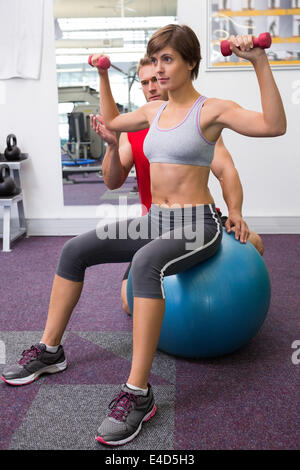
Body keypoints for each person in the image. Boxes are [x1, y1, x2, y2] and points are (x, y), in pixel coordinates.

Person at [2, 25, 286, 447]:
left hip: (198, 223)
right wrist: (102, 75)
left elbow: (273, 125)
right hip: (156, 219)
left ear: (191, 63)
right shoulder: (154, 113)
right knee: (74, 249)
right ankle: (50, 349)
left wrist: (260, 61)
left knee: (146, 263)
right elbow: (115, 121)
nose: (159, 69)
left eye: (168, 59)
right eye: (155, 61)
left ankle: (138, 393)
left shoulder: (212, 110)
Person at [90, 55, 264, 316]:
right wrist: (112, 146)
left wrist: (235, 211)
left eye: (155, 79)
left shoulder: (197, 120)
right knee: (128, 303)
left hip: (196, 219)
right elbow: (112, 182)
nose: (151, 87)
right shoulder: (132, 128)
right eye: (145, 82)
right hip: (154, 224)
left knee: (256, 244)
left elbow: (226, 171)